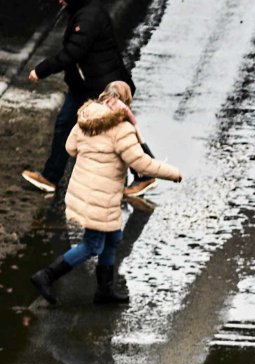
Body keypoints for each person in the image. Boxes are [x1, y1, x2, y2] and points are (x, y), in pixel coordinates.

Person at [29, 90, 183, 306]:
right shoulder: (121, 129)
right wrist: (173, 172)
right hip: (100, 197)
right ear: (125, 103)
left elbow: (70, 148)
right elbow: (141, 163)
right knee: (92, 245)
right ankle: (46, 276)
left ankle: (105, 291)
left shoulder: (86, 118)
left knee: (112, 238)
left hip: (85, 191)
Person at [23, 0, 134, 195]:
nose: (60, 0)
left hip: (98, 86)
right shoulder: (83, 11)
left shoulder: (88, 17)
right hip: (86, 84)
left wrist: (41, 70)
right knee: (66, 126)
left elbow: (72, 52)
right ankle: (50, 177)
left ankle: (145, 173)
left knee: (115, 132)